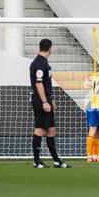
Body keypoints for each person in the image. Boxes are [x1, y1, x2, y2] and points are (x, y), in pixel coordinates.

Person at [29, 39, 71, 169]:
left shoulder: (43, 62)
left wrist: (50, 100)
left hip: (46, 99)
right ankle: (36, 161)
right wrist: (45, 102)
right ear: (50, 48)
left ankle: (56, 161)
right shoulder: (39, 63)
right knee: (40, 129)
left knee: (51, 129)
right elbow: (38, 83)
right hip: (40, 101)